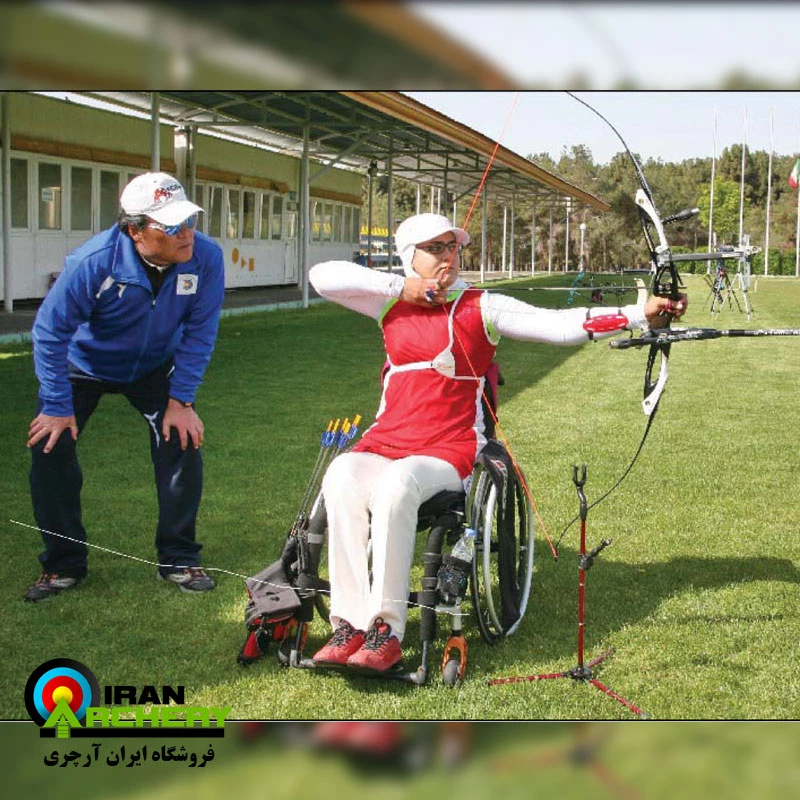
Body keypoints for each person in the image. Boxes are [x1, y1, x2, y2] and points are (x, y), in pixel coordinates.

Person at [308, 212, 687, 672]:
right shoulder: (389, 304)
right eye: (436, 248)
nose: (449, 256)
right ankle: (348, 623)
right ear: (411, 256)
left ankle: (385, 631)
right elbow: (321, 277)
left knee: (396, 486)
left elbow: (559, 325)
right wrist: (400, 288)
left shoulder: (481, 306)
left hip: (449, 447)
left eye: (453, 247)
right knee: (342, 474)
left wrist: (636, 314)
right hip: (386, 438)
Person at [24, 172, 225, 602]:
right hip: (84, 366)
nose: (186, 233)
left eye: (189, 220)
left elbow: (201, 331)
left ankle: (178, 557)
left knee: (182, 440)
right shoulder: (93, 261)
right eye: (171, 226)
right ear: (134, 230)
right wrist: (58, 406)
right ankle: (63, 565)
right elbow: (49, 333)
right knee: (49, 446)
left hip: (154, 366)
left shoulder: (206, 256)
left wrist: (182, 400)